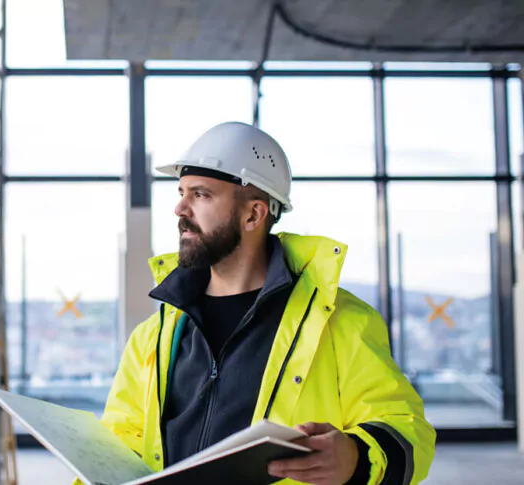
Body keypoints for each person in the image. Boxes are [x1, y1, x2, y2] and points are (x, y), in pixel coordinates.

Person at [100, 122, 436, 484]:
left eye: (201, 195)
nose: (180, 209)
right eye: (181, 192)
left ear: (254, 214)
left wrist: (356, 456)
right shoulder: (154, 336)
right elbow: (118, 443)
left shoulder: (340, 323)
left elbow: (408, 430)